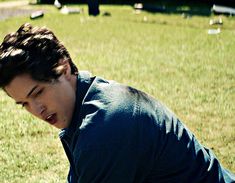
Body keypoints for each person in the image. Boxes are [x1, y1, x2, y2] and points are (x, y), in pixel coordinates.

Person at [0, 23, 234, 183]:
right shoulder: (87, 102)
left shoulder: (103, 127)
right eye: (24, 104)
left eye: (38, 92)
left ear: (64, 67)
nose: (37, 110)